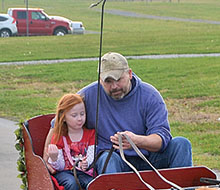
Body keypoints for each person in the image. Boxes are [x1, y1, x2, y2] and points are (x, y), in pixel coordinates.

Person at [45, 52, 192, 174]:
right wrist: (47, 156)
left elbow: (162, 139)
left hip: (150, 159)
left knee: (181, 144)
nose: (114, 86)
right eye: (108, 81)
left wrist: (137, 141)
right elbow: (57, 122)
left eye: (118, 79)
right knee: (109, 160)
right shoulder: (88, 95)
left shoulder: (150, 96)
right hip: (113, 159)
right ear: (100, 80)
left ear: (129, 74)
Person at [45, 93, 95, 190]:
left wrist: (87, 163)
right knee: (70, 183)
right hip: (64, 172)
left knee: (91, 185)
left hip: (82, 172)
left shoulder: (90, 134)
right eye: (74, 115)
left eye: (82, 114)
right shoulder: (60, 136)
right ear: (64, 117)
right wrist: (54, 157)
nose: (80, 119)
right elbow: (59, 166)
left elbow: (91, 154)